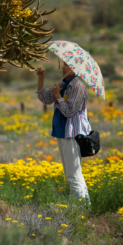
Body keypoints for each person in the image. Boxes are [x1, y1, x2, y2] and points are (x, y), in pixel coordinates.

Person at [35, 62, 91, 202]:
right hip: (62, 132)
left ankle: (79, 207)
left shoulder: (78, 87)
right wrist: (41, 78)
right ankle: (84, 204)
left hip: (72, 134)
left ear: (76, 68)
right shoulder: (64, 83)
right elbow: (46, 99)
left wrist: (58, 95)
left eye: (68, 65)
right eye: (63, 64)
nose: (63, 67)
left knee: (72, 174)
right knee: (70, 173)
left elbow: (69, 111)